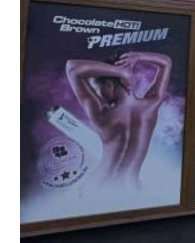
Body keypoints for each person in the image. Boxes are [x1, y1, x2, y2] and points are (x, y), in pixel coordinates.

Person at [66, 51, 173, 188]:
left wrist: (121, 73)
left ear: (109, 85)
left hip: (98, 186)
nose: (100, 95)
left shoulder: (102, 113)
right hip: (129, 188)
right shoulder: (151, 106)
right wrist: (138, 56)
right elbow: (166, 63)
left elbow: (72, 67)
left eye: (98, 89)